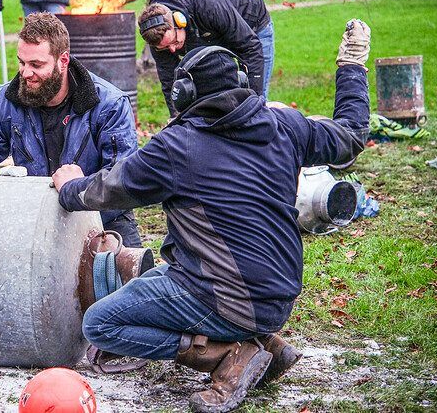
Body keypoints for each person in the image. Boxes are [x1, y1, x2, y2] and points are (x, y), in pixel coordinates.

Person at [52, 20, 371, 412]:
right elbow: (351, 136)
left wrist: (69, 186)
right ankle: (264, 340)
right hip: (279, 295)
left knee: (100, 324)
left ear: (185, 92)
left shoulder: (175, 148)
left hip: (225, 297)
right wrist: (352, 66)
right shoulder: (284, 126)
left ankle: (225, 355)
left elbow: (107, 189)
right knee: (157, 275)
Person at [0, 12, 142, 247]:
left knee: (128, 278)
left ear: (63, 61)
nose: (26, 73)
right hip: (32, 218)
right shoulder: (6, 99)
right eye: (22, 62)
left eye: (36, 65)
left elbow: (123, 180)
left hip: (102, 219)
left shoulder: (109, 104)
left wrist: (80, 188)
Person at [139, 0, 273, 117]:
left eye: (173, 42)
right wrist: (176, 117)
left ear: (180, 21)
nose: (172, 49)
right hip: (213, 32)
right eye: (166, 47)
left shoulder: (208, 5)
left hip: (251, 22)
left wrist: (254, 102)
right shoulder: (156, 35)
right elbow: (169, 80)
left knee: (253, 107)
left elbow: (251, 48)